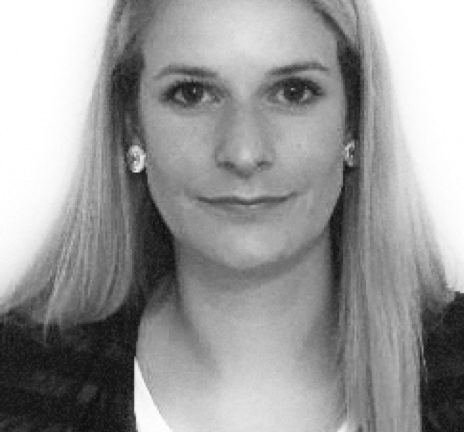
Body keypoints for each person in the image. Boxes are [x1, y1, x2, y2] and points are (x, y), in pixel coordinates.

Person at [0, 0, 462, 431]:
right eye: (192, 93)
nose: (244, 152)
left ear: (354, 121)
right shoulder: (15, 383)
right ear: (131, 126)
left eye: (293, 92)